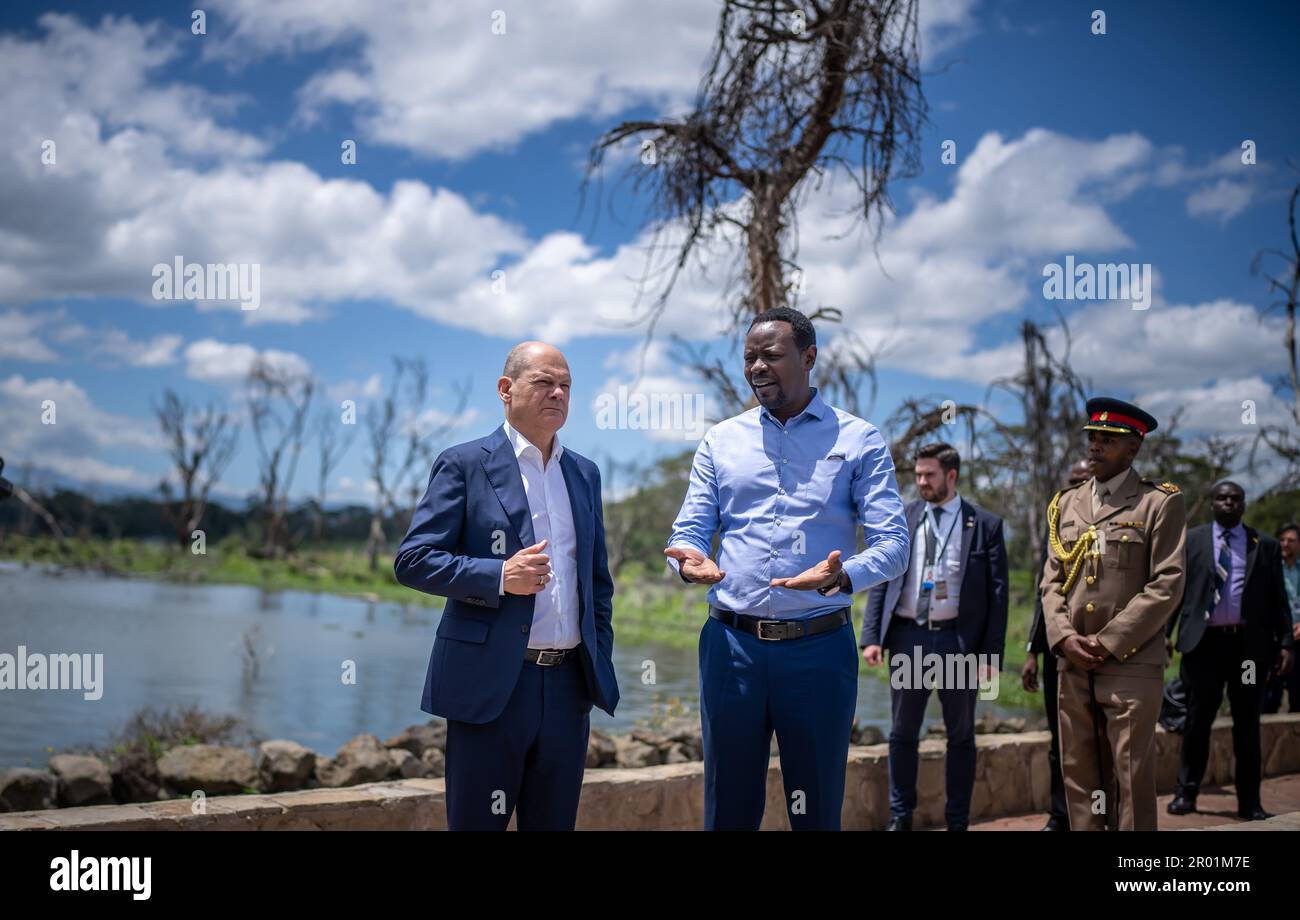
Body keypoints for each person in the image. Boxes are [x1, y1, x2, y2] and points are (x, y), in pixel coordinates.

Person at [665, 306, 909, 831]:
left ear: (809, 357)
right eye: (749, 357)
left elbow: (893, 546)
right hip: (731, 650)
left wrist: (841, 577)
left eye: (771, 355)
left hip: (819, 651)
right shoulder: (720, 441)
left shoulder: (859, 439)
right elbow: (689, 532)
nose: (757, 367)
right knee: (727, 808)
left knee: (817, 809)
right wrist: (689, 561)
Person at [394, 342, 619, 830]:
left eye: (566, 385)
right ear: (506, 389)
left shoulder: (584, 473)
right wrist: (498, 576)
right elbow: (412, 560)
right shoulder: (463, 464)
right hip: (490, 686)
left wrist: (597, 657)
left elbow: (597, 583)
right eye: (543, 381)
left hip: (567, 688)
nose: (557, 393)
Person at [1041, 397, 1185, 831]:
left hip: (1130, 662)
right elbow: (1050, 582)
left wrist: (1107, 641)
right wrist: (1064, 637)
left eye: (1109, 440)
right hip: (1074, 662)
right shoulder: (1065, 504)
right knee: (1081, 777)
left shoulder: (1157, 503)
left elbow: (1167, 584)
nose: (1096, 447)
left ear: (1133, 449)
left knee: (1129, 776)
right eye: (1093, 438)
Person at [860, 442, 1008, 831]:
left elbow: (998, 596)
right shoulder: (904, 517)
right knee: (902, 732)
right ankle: (900, 816)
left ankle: (957, 819)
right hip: (909, 639)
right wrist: (872, 636)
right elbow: (882, 579)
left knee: (960, 735)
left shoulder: (985, 525)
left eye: (929, 475)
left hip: (958, 643)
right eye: (918, 474)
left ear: (952, 476)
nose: (921, 482)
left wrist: (991, 655)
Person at [1167, 483, 1294, 819]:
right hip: (1203, 645)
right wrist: (1164, 634)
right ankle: (1186, 794)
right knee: (1197, 722)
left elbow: (1278, 598)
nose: (1228, 503)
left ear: (1243, 505)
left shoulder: (1263, 545)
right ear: (1211, 503)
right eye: (1222, 498)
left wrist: (1285, 643)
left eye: (1235, 498)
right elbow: (1176, 593)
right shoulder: (1192, 540)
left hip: (1247, 651)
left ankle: (1249, 802)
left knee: (1247, 724)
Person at [1021, 458, 1092, 831]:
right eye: (1072, 480)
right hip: (1057, 649)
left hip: (1103, 649)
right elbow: (1043, 596)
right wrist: (1032, 652)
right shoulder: (1057, 525)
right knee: (1059, 739)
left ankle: (1101, 815)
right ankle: (1059, 815)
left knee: (1102, 742)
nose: (1077, 486)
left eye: (1085, 479)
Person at [1261, 522, 1300, 713]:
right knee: (1268, 698)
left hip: (1299, 640)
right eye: (1282, 539)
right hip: (1273, 641)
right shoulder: (1268, 568)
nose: (1285, 544)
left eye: (1291, 540)